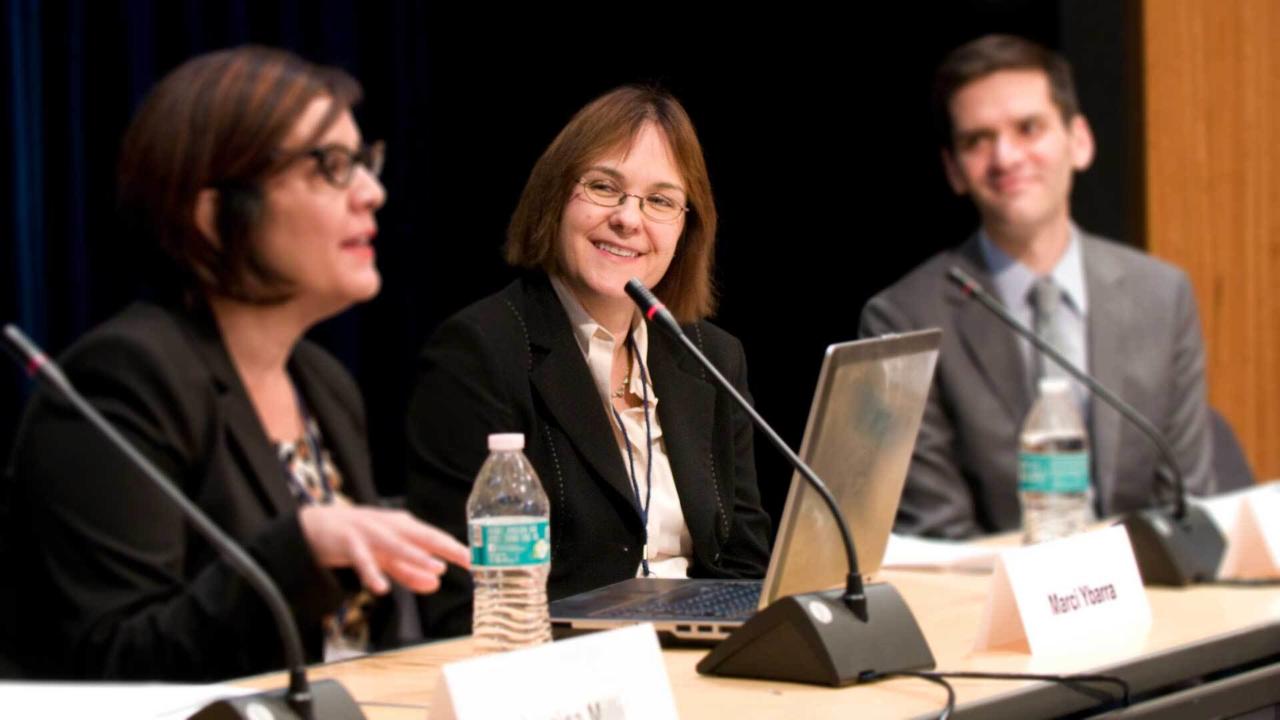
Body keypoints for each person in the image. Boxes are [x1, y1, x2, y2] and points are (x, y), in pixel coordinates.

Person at [1, 46, 469, 681]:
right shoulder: (127, 377)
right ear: (215, 214)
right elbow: (109, 660)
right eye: (332, 167)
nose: (372, 192)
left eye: (364, 161)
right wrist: (299, 549)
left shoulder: (324, 385)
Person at [406, 85, 771, 637]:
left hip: (703, 666)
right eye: (604, 187)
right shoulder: (481, 351)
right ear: (556, 197)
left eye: (660, 200)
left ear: (686, 227)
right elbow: (468, 604)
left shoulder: (711, 356)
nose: (629, 219)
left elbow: (746, 566)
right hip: (563, 672)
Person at [859, 34, 1214, 538]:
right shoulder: (902, 319)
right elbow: (940, 532)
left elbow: (1183, 503)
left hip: (1149, 597)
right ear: (954, 171)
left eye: (1029, 128)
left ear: (1080, 141)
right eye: (977, 140)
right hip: (993, 602)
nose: (1005, 157)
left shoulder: (1162, 295)